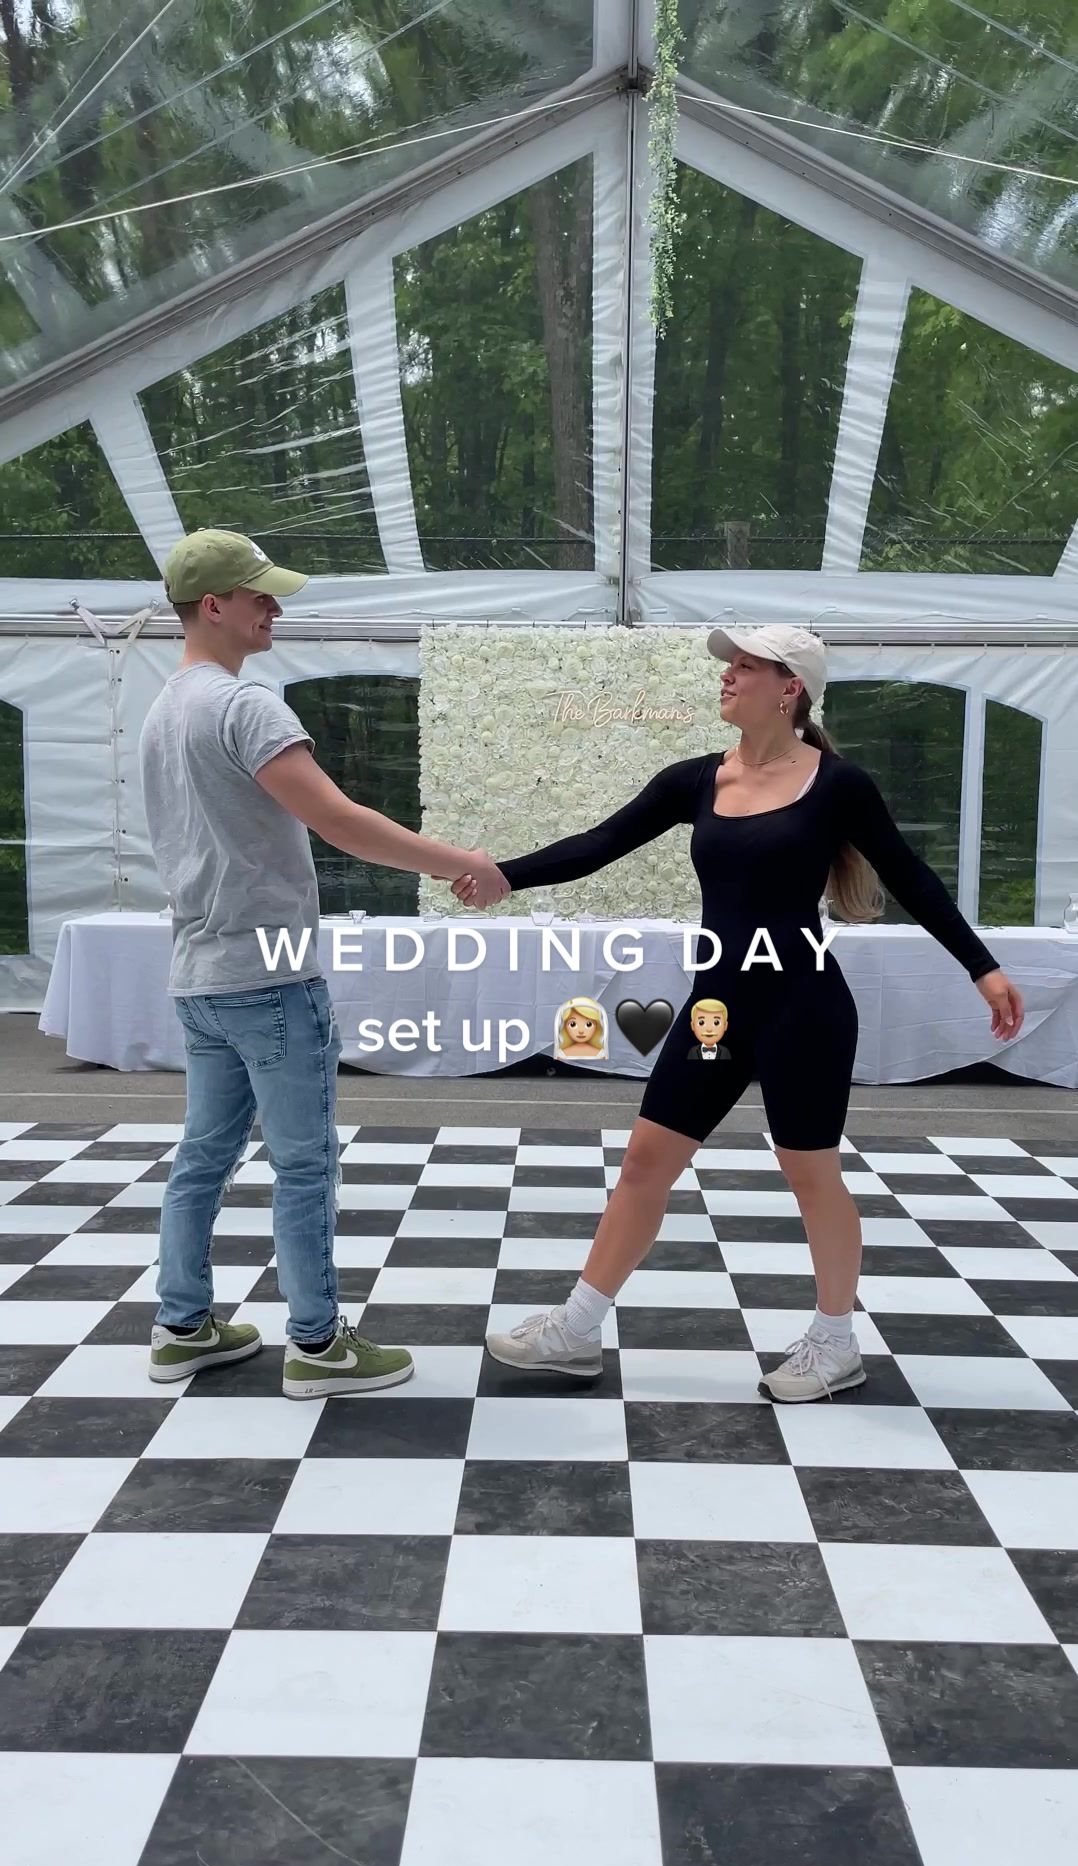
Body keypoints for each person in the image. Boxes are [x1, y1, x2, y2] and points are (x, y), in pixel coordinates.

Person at [453, 623, 1024, 1404]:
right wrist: (503, 876)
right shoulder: (695, 780)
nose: (727, 676)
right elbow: (599, 843)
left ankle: (835, 1345)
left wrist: (982, 967)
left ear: (791, 688)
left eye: (747, 667)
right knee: (645, 1163)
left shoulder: (839, 785)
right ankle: (576, 1331)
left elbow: (911, 876)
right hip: (717, 1010)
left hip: (803, 1005)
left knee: (810, 1173)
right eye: (730, 666)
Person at [139, 528, 508, 1395]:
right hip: (271, 976)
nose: (274, 606)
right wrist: (461, 861)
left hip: (201, 975)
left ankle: (182, 1326)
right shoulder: (246, 707)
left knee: (204, 1156)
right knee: (304, 1164)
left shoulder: (161, 711)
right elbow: (338, 820)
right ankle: (317, 1344)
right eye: (259, 594)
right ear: (213, 605)